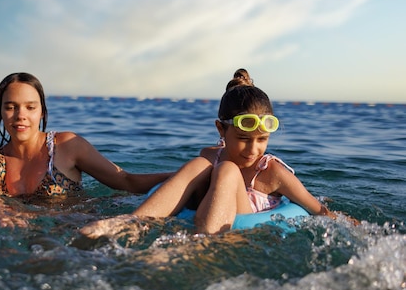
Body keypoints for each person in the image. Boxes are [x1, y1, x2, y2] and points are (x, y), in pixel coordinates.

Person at [81, 69, 341, 237]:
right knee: (201, 164)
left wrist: (357, 228)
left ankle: (203, 246)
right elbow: (182, 180)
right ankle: (127, 222)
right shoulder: (210, 155)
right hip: (206, 207)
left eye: (262, 139)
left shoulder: (271, 171)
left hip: (237, 225)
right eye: (243, 139)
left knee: (226, 169)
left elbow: (318, 209)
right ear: (221, 129)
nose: (253, 149)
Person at [0, 72, 173, 223]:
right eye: (10, 107)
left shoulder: (67, 146)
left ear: (42, 112)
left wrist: (181, 176)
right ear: (0, 112)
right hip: (25, 235)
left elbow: (126, 181)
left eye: (30, 107)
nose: (20, 115)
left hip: (78, 228)